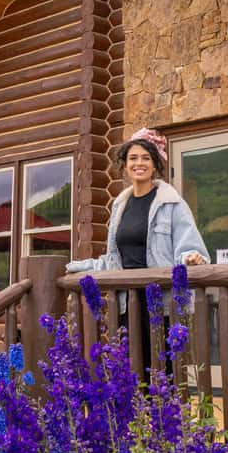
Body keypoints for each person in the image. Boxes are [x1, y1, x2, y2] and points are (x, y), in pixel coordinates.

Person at [67, 127, 209, 370]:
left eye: (146, 158)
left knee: (164, 372)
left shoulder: (172, 203)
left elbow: (189, 248)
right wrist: (74, 267)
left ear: (156, 165)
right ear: (125, 165)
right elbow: (114, 259)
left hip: (161, 303)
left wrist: (191, 258)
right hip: (128, 302)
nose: (139, 163)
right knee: (132, 370)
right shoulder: (120, 206)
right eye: (133, 158)